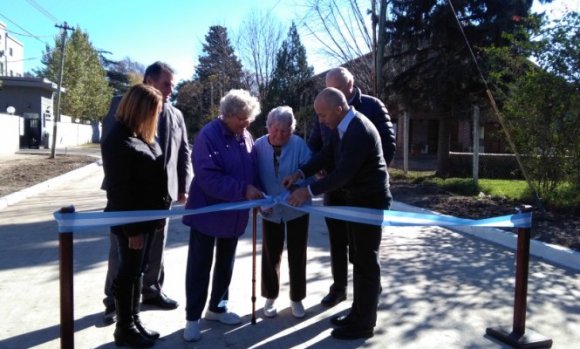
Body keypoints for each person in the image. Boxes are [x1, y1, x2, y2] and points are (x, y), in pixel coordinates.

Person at [284, 87, 392, 340]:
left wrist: (308, 190)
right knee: (357, 256)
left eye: (322, 115)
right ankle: (358, 312)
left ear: (338, 109)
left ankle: (364, 323)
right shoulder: (341, 128)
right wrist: (300, 174)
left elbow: (343, 174)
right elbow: (325, 155)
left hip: (369, 203)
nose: (320, 120)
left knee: (366, 260)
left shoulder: (358, 130)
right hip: (356, 202)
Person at [101, 62, 193, 324]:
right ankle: (113, 301)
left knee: (155, 248)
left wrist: (184, 186)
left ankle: (150, 291)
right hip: (130, 198)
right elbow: (114, 154)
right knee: (123, 251)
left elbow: (184, 152)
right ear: (149, 81)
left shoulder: (175, 114)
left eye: (172, 86)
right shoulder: (123, 104)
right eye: (166, 84)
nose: (170, 91)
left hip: (162, 195)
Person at [307, 67, 395, 308]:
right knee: (338, 242)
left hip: (362, 191)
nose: (332, 91)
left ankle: (365, 300)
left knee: (363, 252)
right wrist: (309, 170)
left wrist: (366, 176)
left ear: (350, 85)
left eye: (336, 87)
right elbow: (318, 146)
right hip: (335, 188)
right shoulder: (327, 107)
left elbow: (386, 146)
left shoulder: (369, 109)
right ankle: (340, 289)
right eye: (328, 86)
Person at [182, 89, 263, 342]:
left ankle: (217, 307)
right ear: (226, 115)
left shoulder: (245, 136)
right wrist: (243, 190)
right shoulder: (209, 136)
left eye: (249, 118)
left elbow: (251, 169)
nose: (246, 123)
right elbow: (207, 178)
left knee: (226, 264)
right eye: (241, 118)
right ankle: (192, 318)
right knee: (200, 266)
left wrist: (258, 194)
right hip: (208, 213)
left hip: (234, 214)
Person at [101, 83, 170, 347]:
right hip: (132, 222)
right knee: (128, 272)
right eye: (155, 111)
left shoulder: (140, 135)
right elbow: (119, 190)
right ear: (141, 109)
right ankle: (124, 328)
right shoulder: (117, 139)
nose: (156, 116)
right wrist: (132, 230)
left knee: (138, 271)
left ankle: (135, 319)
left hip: (147, 218)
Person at [253, 106, 312, 319]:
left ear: (292, 129)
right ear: (268, 126)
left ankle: (297, 298)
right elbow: (252, 175)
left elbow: (311, 172)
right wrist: (258, 198)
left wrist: (301, 188)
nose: (279, 134)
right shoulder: (258, 146)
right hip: (269, 208)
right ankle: (270, 296)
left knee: (298, 253)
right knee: (271, 253)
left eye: (285, 130)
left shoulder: (299, 144)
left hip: (297, 207)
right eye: (275, 129)